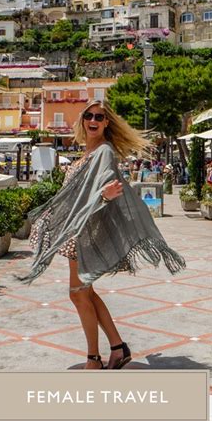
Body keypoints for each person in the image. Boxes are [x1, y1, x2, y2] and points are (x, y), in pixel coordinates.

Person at [19, 101, 186, 370]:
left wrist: (105, 196)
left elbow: (107, 184)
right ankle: (118, 347)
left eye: (99, 117)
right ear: (83, 120)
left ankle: (94, 358)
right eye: (89, 116)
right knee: (84, 293)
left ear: (107, 122)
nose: (93, 120)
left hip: (85, 232)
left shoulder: (104, 152)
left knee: (78, 294)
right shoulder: (88, 152)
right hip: (77, 231)